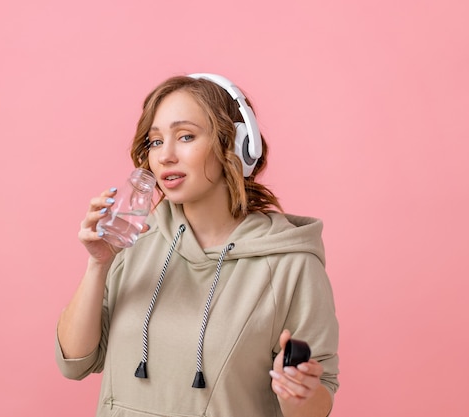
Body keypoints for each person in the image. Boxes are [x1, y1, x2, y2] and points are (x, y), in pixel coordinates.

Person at [55, 73, 340, 417]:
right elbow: (75, 363)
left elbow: (317, 403)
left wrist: (299, 393)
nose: (165, 156)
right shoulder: (133, 241)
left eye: (186, 136)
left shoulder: (289, 263)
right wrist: (97, 264)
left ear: (234, 145)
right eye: (156, 142)